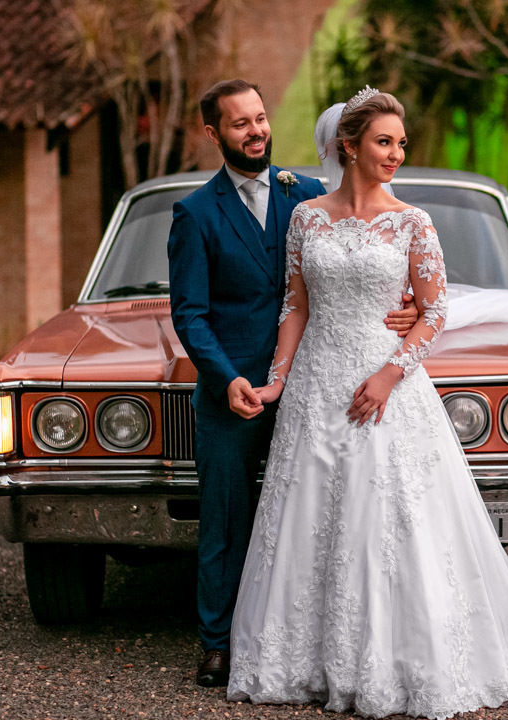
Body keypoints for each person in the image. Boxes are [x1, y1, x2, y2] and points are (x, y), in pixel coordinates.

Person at [226, 88, 508, 718]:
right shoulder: (307, 218)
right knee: (310, 519)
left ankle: (396, 660)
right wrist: (276, 382)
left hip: (386, 385)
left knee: (387, 518)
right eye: (384, 141)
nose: (395, 153)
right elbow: (296, 306)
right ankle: (308, 662)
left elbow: (434, 310)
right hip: (316, 388)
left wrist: (389, 374)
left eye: (401, 143)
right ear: (349, 146)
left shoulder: (413, 221)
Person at [166, 79, 418, 688]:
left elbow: (366, 260)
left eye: (260, 118)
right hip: (235, 390)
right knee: (226, 516)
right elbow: (189, 314)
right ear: (213, 134)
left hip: (319, 385)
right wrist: (227, 378)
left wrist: (405, 303)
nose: (256, 131)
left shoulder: (308, 197)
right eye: (239, 124)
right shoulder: (194, 214)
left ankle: (324, 642)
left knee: (323, 511)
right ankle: (220, 643)